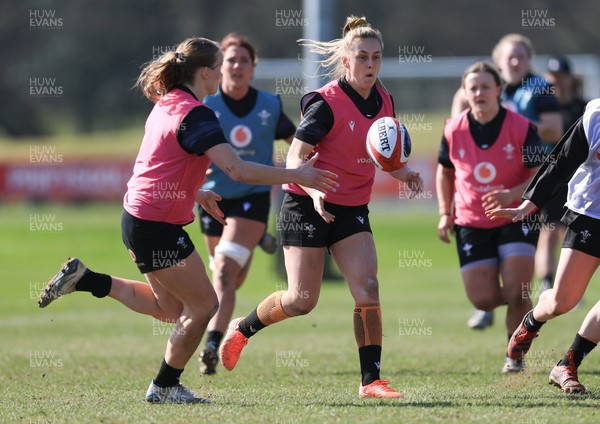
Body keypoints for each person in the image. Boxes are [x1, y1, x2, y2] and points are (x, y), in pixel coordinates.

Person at [36, 37, 337, 404]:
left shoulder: (167, 103)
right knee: (204, 306)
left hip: (138, 217)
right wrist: (299, 175)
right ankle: (164, 387)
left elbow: (158, 163)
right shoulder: (196, 114)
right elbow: (237, 170)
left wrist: (194, 192)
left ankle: (86, 279)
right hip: (156, 226)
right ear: (208, 72)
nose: (226, 72)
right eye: (220, 66)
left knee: (171, 309)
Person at [217, 16, 423, 399]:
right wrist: (311, 189)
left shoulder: (386, 101)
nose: (371, 64)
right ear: (346, 61)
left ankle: (370, 381)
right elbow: (295, 154)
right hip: (303, 203)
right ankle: (242, 330)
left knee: (368, 287)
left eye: (376, 57)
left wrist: (406, 173)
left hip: (351, 208)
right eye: (362, 57)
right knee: (301, 300)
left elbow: (384, 157)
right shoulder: (326, 103)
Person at [197, 33, 296, 375]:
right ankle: (258, 240)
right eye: (230, 60)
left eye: (244, 60)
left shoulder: (269, 104)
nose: (237, 66)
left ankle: (211, 344)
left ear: (254, 67)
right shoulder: (205, 106)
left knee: (223, 271)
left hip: (252, 198)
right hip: (213, 199)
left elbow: (297, 139)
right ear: (218, 67)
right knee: (230, 283)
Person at [436, 61, 545, 373]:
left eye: (485, 86)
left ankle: (515, 355)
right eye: (473, 87)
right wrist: (445, 213)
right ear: (465, 93)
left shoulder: (521, 127)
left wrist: (512, 195)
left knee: (517, 291)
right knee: (482, 300)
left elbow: (543, 174)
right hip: (471, 221)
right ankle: (515, 309)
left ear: (499, 90)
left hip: (517, 216)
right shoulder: (453, 130)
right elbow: (445, 173)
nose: (479, 92)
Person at [488, 98, 600, 393]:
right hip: (589, 215)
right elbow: (560, 163)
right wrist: (527, 205)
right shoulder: (596, 116)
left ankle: (567, 364)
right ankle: (531, 322)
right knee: (562, 301)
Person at [452, 34, 563, 330]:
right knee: (484, 292)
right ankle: (493, 304)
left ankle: (542, 289)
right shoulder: (475, 88)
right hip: (480, 200)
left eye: (521, 57)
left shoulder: (538, 88)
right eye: (508, 57)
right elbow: (457, 135)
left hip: (531, 183)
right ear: (497, 61)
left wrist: (510, 122)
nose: (515, 62)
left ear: (529, 61)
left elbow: (555, 129)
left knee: (551, 235)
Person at [537, 56, 588, 291]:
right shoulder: (543, 108)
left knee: (572, 231)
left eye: (561, 76)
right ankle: (547, 284)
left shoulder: (584, 108)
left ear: (569, 78)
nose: (557, 81)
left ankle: (568, 286)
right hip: (555, 175)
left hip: (581, 179)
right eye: (552, 76)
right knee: (549, 229)